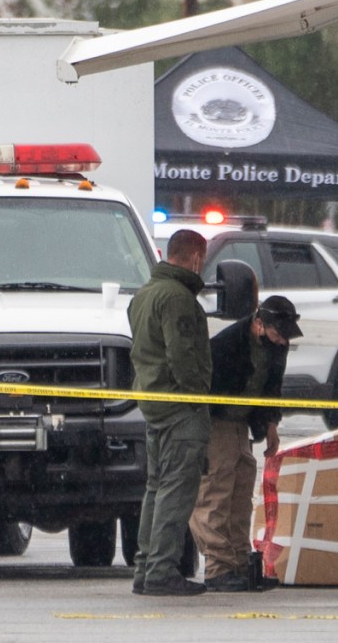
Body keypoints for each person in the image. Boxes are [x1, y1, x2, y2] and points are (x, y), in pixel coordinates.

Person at [193, 295, 301, 591]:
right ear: (258, 324)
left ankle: (240, 564)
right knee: (215, 494)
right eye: (278, 334)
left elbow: (272, 386)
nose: (282, 342)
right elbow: (207, 390)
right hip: (216, 422)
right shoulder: (227, 345)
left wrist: (271, 426)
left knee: (241, 495)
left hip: (242, 424)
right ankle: (218, 567)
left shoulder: (278, 345)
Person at [127, 229, 212, 598]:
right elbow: (182, 357)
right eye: (203, 259)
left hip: (153, 404)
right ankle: (162, 571)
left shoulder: (143, 295)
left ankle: (146, 569)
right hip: (180, 408)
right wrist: (198, 397)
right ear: (195, 257)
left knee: (155, 489)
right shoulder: (177, 298)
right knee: (176, 492)